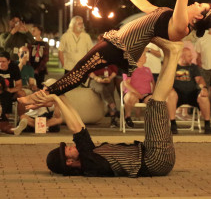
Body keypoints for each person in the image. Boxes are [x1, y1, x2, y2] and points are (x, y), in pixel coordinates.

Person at [19, 0, 211, 109]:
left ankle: (41, 97)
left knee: (79, 71)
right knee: (80, 71)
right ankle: (42, 99)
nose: (195, 3)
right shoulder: (172, 15)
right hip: (117, 43)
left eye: (200, 6)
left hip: (119, 47)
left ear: (198, 18)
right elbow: (147, 6)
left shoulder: (182, 26)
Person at [27, 37, 183, 177]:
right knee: (156, 104)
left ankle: (170, 53)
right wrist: (55, 97)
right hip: (156, 160)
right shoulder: (90, 165)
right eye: (68, 149)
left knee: (154, 106)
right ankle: (174, 53)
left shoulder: (89, 154)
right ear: (68, 162)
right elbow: (74, 128)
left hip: (151, 153)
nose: (72, 145)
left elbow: (78, 124)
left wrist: (60, 95)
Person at [167, 47, 211, 135]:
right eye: (189, 56)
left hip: (192, 94)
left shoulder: (193, 67)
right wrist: (170, 88)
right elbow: (167, 81)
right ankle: (173, 124)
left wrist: (204, 88)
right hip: (178, 94)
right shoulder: (173, 66)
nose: (191, 58)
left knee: (203, 96)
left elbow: (199, 79)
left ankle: (207, 124)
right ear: (182, 57)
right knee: (170, 94)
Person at [122, 51, 154, 128]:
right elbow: (126, 83)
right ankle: (127, 117)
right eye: (144, 55)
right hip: (132, 94)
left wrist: (154, 93)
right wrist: (138, 94)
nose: (146, 57)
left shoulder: (148, 69)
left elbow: (153, 83)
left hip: (146, 95)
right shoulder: (129, 68)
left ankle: (152, 121)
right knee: (130, 97)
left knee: (154, 100)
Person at [0, 51, 25, 120]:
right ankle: (4, 118)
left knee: (22, 93)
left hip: (10, 91)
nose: (1, 64)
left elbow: (19, 85)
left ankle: (22, 118)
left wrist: (10, 90)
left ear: (9, 61)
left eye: (3, 61)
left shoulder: (14, 67)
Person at [29, 25, 49, 89]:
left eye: (34, 30)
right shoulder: (31, 43)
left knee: (40, 86)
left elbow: (45, 58)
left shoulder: (44, 44)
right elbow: (28, 56)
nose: (32, 31)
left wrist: (38, 69)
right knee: (31, 86)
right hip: (31, 67)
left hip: (40, 69)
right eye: (32, 30)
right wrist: (30, 68)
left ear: (39, 32)